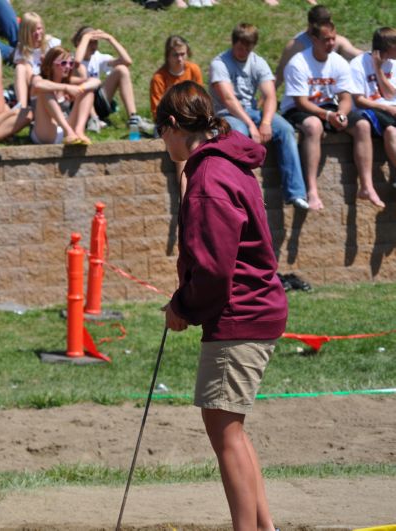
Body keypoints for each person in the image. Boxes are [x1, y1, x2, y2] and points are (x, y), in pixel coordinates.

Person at [157, 81, 286, 531]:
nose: (163, 143)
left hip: (241, 313)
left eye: (162, 133)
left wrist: (183, 308)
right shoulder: (228, 164)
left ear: (173, 126)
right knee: (231, 427)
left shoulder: (209, 178)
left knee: (224, 430)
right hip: (255, 307)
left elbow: (213, 270)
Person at [210, 23, 309, 210]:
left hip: (253, 111)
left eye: (248, 48)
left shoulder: (258, 62)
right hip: (226, 114)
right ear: (233, 43)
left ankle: (296, 193)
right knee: (238, 133)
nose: (243, 51)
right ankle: (238, 193)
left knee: (286, 129)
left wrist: (265, 122)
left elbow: (270, 95)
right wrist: (251, 126)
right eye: (240, 47)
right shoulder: (219, 64)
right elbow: (229, 100)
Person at [281, 21, 370, 210]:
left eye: (333, 38)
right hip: (297, 109)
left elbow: (345, 98)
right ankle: (311, 190)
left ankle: (366, 186)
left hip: (328, 107)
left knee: (362, 125)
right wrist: (328, 115)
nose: (331, 43)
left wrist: (342, 114)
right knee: (314, 126)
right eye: (326, 39)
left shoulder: (337, 62)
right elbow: (301, 102)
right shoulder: (299, 63)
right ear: (314, 40)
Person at [72, 27, 153, 135]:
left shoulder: (98, 57)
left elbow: (127, 61)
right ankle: (93, 119)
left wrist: (110, 38)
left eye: (95, 42)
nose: (93, 45)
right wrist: (86, 37)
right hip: (80, 105)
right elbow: (77, 61)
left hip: (98, 102)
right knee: (83, 77)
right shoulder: (71, 59)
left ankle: (133, 119)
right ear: (80, 42)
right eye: (89, 42)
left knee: (122, 70)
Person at [151, 35, 203, 197]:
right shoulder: (159, 78)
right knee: (182, 145)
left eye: (183, 54)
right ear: (167, 55)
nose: (180, 59)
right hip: (169, 124)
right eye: (175, 55)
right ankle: (185, 195)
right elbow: (157, 113)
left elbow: (201, 102)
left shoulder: (193, 70)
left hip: (191, 121)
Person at [348, 27, 396, 202]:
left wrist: (379, 70)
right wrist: (386, 108)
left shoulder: (393, 63)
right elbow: (359, 100)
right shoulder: (357, 64)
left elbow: (391, 95)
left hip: (390, 111)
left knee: (392, 132)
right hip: (370, 111)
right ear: (389, 46)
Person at [274, 4, 362, 87]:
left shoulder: (337, 41)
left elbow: (356, 54)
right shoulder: (296, 46)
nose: (330, 42)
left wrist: (371, 55)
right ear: (311, 25)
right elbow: (279, 76)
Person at [30, 46, 100, 145]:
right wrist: (66, 88)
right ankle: (69, 131)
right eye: (63, 63)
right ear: (50, 65)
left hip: (66, 131)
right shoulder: (38, 78)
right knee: (45, 90)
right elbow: (38, 85)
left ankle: (79, 131)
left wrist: (79, 89)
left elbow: (96, 81)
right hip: (44, 132)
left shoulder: (69, 81)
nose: (68, 67)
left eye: (70, 64)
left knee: (88, 91)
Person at [13, 12, 61, 109]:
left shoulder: (52, 43)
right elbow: (27, 75)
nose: (38, 33)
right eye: (33, 31)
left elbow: (61, 67)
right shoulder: (21, 49)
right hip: (32, 87)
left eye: (39, 29)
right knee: (20, 67)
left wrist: (46, 64)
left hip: (51, 83)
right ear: (26, 32)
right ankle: (22, 107)